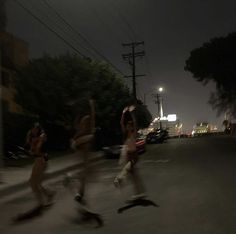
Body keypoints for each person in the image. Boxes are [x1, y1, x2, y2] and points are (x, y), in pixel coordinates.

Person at [114, 106, 146, 200]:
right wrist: (123, 113)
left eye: (130, 125)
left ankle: (119, 179)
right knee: (134, 175)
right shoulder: (125, 134)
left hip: (134, 155)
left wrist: (132, 113)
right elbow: (121, 122)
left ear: (132, 127)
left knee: (127, 169)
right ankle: (139, 193)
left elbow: (135, 122)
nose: (129, 126)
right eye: (128, 125)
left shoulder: (134, 134)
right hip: (128, 155)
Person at [70, 98, 95, 204]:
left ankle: (80, 192)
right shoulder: (84, 118)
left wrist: (74, 139)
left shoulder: (87, 118)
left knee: (83, 168)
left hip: (84, 143)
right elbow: (77, 127)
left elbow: (82, 130)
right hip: (83, 143)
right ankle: (80, 191)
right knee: (83, 167)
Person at [26, 122, 55, 208]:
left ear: (39, 129)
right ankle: (49, 194)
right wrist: (31, 147)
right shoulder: (33, 137)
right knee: (36, 182)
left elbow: (37, 150)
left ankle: (41, 203)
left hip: (41, 160)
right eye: (33, 129)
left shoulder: (42, 136)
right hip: (38, 160)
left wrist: (32, 149)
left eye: (36, 129)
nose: (34, 130)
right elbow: (33, 150)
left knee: (33, 182)